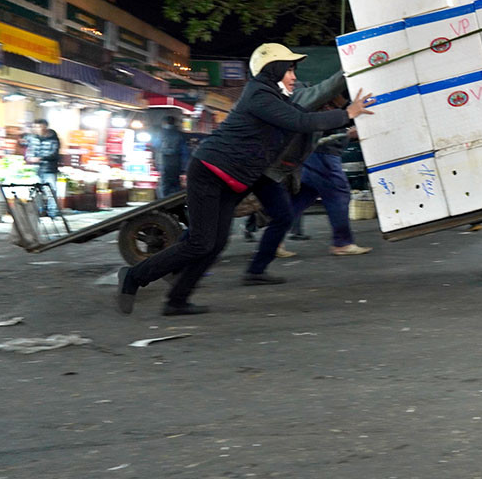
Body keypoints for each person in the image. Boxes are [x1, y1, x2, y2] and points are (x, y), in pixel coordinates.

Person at [116, 44, 371, 316]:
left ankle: (177, 300)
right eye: (289, 69)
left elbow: (306, 119)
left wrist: (345, 119)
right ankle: (134, 277)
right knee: (201, 242)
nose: (294, 76)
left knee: (216, 243)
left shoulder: (277, 98)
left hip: (235, 179)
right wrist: (346, 113)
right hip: (210, 172)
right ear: (271, 68)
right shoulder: (260, 94)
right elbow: (299, 120)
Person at [243, 73, 351, 283]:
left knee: (282, 216)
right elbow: (325, 89)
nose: (292, 76)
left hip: (266, 171)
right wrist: (350, 67)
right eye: (288, 71)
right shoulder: (295, 98)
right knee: (214, 221)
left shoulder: (298, 107)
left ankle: (256, 271)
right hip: (247, 168)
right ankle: (176, 262)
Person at [290, 124, 372, 256]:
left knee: (304, 196)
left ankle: (273, 239)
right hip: (323, 152)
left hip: (315, 150)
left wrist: (346, 133)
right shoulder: (326, 106)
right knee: (338, 194)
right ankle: (342, 243)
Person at [24, 118, 60, 217]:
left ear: (45, 127)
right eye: (35, 127)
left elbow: (54, 153)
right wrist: (29, 158)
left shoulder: (53, 139)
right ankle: (39, 211)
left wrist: (41, 158)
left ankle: (53, 212)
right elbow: (29, 150)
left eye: (39, 126)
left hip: (49, 169)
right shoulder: (33, 138)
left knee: (51, 190)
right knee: (35, 190)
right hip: (35, 169)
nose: (37, 129)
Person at [154, 114, 186, 197]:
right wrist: (184, 167)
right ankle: (174, 204)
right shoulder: (179, 135)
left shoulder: (160, 134)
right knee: (175, 185)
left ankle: (163, 204)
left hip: (163, 163)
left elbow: (155, 145)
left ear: (164, 123)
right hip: (176, 165)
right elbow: (185, 152)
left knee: (164, 185)